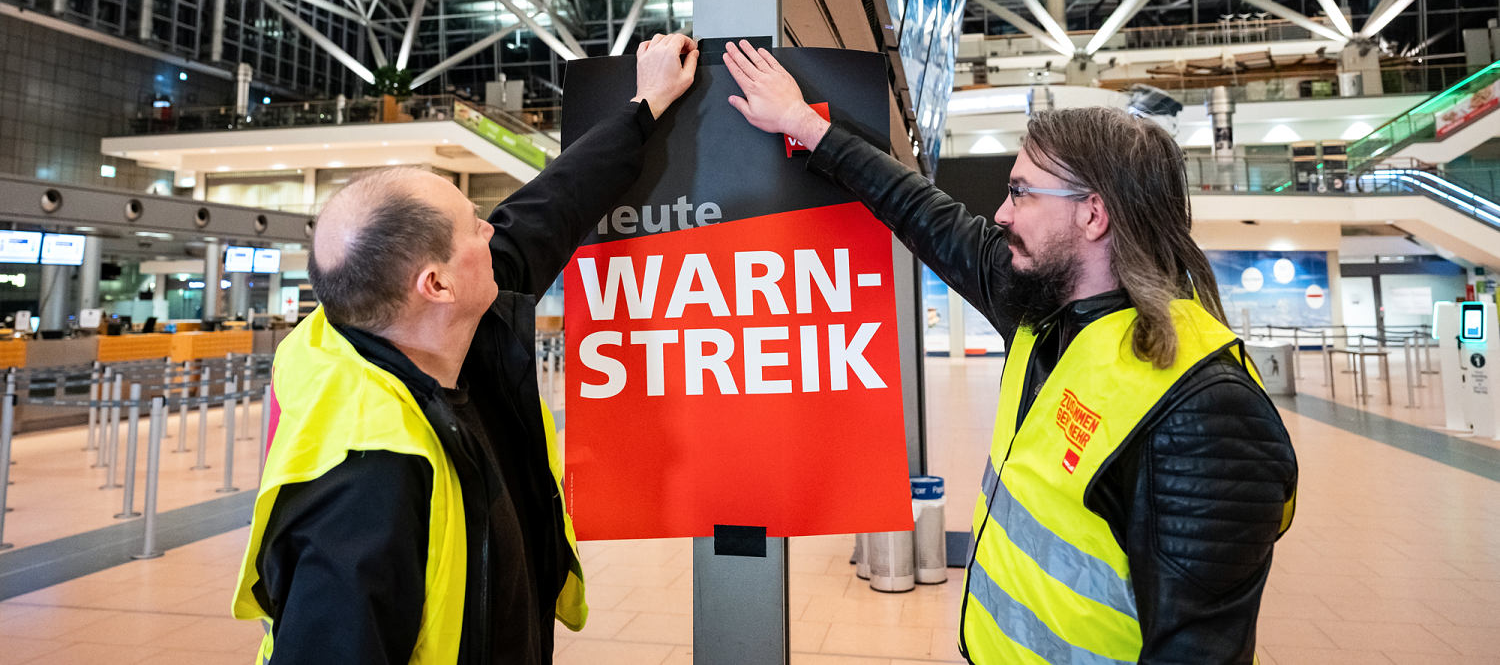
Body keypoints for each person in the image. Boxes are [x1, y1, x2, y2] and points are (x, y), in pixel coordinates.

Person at [722, 39, 1297, 665]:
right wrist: (807, 127)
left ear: (1093, 215)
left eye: (1021, 193)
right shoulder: (1043, 309)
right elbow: (923, 212)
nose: (999, 213)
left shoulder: (1203, 413)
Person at [231, 34, 699, 665]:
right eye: (473, 225)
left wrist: (644, 106)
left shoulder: (420, 328)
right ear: (438, 284)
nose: (491, 229)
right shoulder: (368, 476)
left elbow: (547, 209)